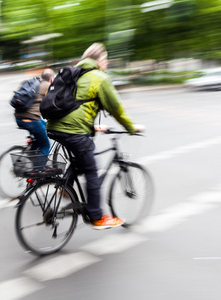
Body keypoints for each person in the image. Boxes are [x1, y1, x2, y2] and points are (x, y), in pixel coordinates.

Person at [46, 43, 142, 230]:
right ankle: (97, 217)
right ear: (99, 60)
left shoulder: (74, 73)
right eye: (106, 59)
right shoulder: (99, 77)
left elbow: (77, 105)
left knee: (79, 160)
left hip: (54, 127)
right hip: (74, 131)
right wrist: (131, 127)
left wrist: (94, 126)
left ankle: (63, 189)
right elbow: (116, 109)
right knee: (91, 170)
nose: (107, 63)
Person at [14, 69, 55, 158]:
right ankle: (38, 170)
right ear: (51, 79)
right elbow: (55, 105)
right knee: (45, 145)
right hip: (31, 120)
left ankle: (31, 154)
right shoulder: (49, 86)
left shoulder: (35, 84)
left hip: (19, 118)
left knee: (45, 126)